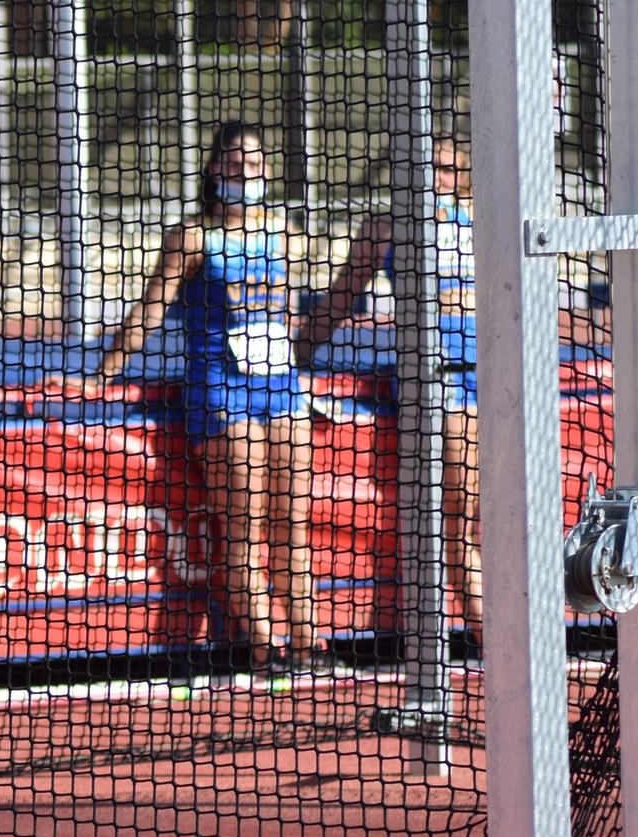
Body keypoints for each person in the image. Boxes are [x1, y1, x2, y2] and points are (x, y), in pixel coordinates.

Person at [91, 122, 321, 675]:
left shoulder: (286, 232)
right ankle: (269, 649)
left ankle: (312, 644)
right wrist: (103, 374)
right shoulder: (192, 238)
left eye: (256, 161)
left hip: (281, 388)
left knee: (294, 525)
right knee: (244, 524)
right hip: (222, 391)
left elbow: (293, 316)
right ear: (216, 170)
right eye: (235, 161)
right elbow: (150, 309)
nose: (247, 170)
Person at [298, 133, 482, 652]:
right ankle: (485, 638)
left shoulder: (484, 223)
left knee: (490, 514)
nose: (438, 178)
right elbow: (339, 299)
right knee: (457, 514)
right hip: (435, 377)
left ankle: (488, 630)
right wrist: (291, 362)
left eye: (449, 169)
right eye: (431, 167)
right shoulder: (387, 228)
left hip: (492, 376)